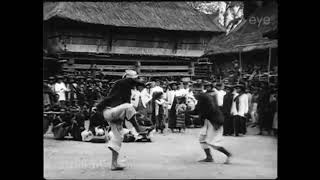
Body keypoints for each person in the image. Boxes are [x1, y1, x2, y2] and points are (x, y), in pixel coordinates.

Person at [96, 70, 151, 171]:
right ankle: (138, 129)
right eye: (134, 79)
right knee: (128, 106)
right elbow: (128, 81)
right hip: (110, 112)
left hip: (115, 114)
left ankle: (114, 163)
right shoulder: (121, 83)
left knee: (118, 137)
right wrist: (142, 83)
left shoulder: (125, 90)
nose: (135, 82)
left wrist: (134, 116)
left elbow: (127, 112)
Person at [187, 86, 232, 164]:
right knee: (202, 139)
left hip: (214, 122)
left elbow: (206, 112)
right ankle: (209, 157)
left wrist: (197, 117)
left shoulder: (207, 100)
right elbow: (196, 111)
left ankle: (228, 154)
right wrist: (186, 112)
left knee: (212, 142)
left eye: (195, 93)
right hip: (208, 122)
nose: (193, 95)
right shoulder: (202, 100)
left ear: (199, 92)